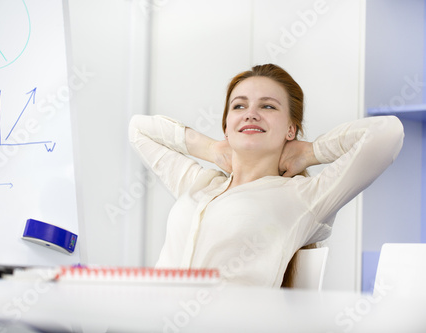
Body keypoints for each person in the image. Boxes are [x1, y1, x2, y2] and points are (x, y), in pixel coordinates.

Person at [129, 64, 404, 288]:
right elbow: (138, 130)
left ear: (290, 129)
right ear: (226, 126)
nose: (251, 114)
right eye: (239, 106)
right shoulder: (199, 184)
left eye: (268, 107)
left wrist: (310, 153)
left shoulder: (301, 197)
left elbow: (386, 134)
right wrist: (212, 149)